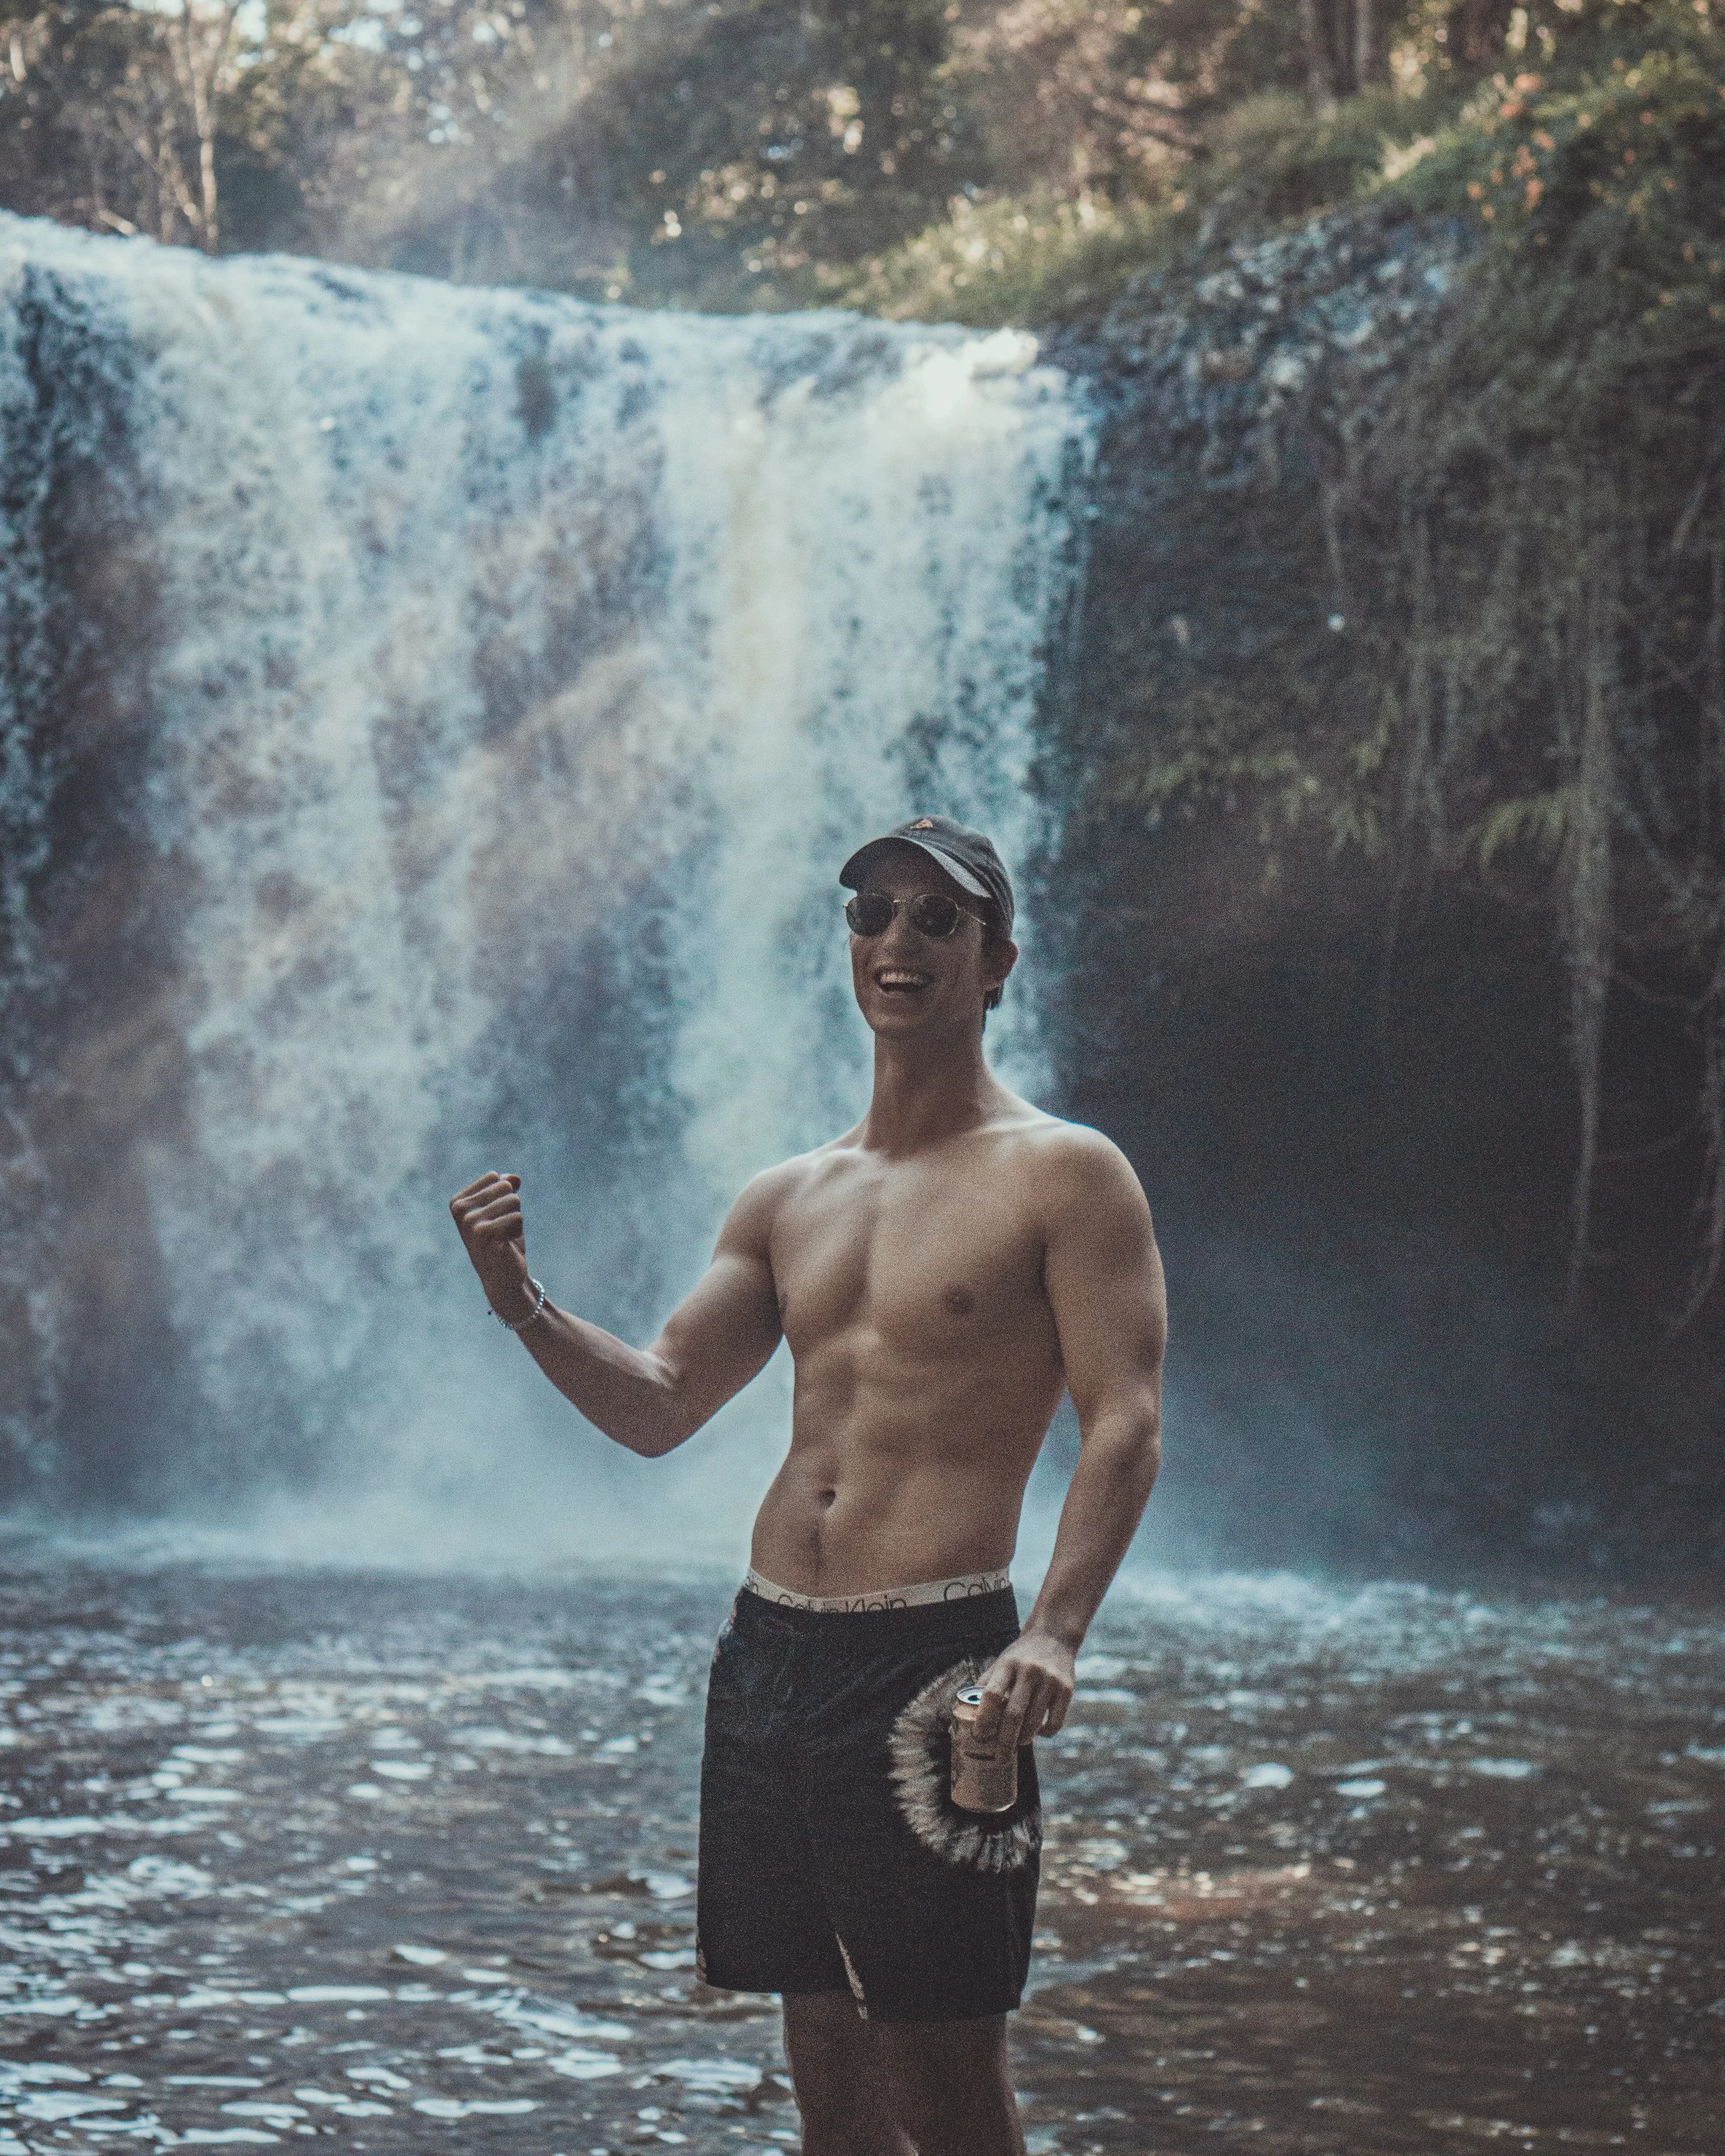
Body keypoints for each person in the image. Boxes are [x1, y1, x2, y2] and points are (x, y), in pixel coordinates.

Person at [451, 815, 1167, 2156]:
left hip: (930, 1667)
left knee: (945, 2078)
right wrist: (523, 1304)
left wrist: (1053, 1631)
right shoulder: (787, 1195)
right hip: (771, 1655)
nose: (896, 941)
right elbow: (660, 1402)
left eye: (934, 919)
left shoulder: (1064, 1174)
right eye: (870, 914)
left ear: (996, 957)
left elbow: (1122, 1419)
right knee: (826, 2076)